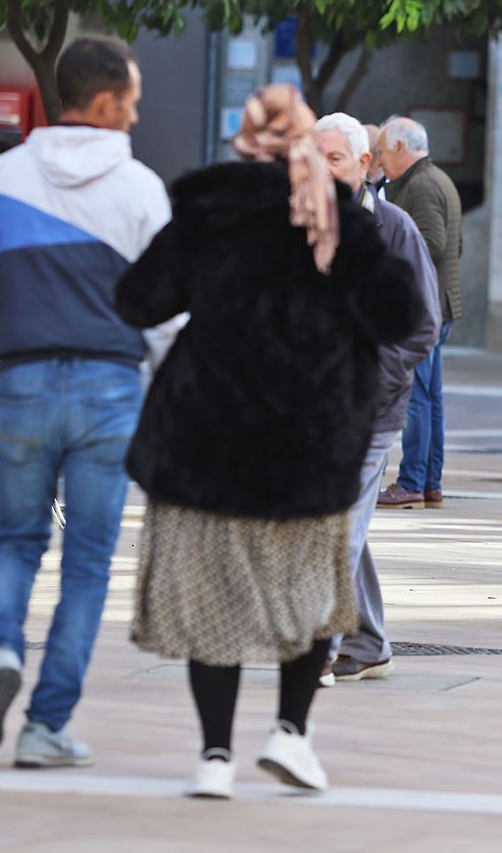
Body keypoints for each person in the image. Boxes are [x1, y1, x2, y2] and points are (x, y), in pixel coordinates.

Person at [115, 86, 420, 799]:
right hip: (312, 446)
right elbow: (400, 313)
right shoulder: (338, 219)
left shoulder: (207, 214)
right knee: (310, 597)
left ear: (243, 143)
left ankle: (214, 757)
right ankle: (290, 733)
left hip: (208, 444)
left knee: (213, 603)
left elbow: (138, 299)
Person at [0, 37, 176, 768]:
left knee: (17, 538)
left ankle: (0, 652)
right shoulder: (140, 189)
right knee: (89, 561)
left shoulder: (1, 177)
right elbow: (167, 313)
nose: (136, 114)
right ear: (103, 102)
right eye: (131, 101)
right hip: (110, 389)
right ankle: (46, 725)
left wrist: (18, 300)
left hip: (26, 380)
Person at [313, 113, 442, 683]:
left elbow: (422, 325)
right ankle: (368, 643)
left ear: (364, 164)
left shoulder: (394, 229)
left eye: (334, 159)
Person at [375, 116, 463, 510]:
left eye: (381, 151)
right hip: (439, 303)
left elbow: (434, 243)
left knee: (418, 398)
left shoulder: (421, 184)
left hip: (425, 307)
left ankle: (412, 481)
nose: (379, 160)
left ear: (400, 147)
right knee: (430, 397)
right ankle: (428, 482)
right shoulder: (435, 178)